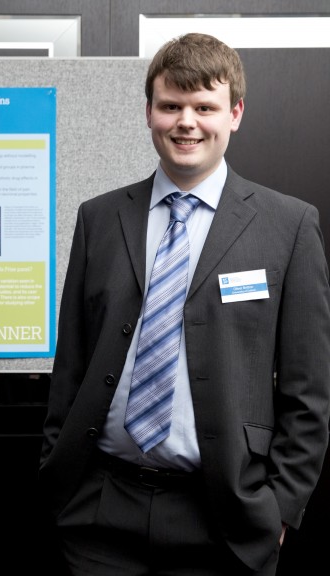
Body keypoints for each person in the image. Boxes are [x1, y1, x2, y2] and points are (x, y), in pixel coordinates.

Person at [39, 33, 330, 576]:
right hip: (101, 510)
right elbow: (71, 364)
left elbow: (307, 390)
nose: (186, 122)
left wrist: (280, 510)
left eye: (204, 107)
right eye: (170, 105)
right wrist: (60, 474)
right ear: (149, 111)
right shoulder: (100, 219)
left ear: (235, 113)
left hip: (225, 518)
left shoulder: (287, 226)